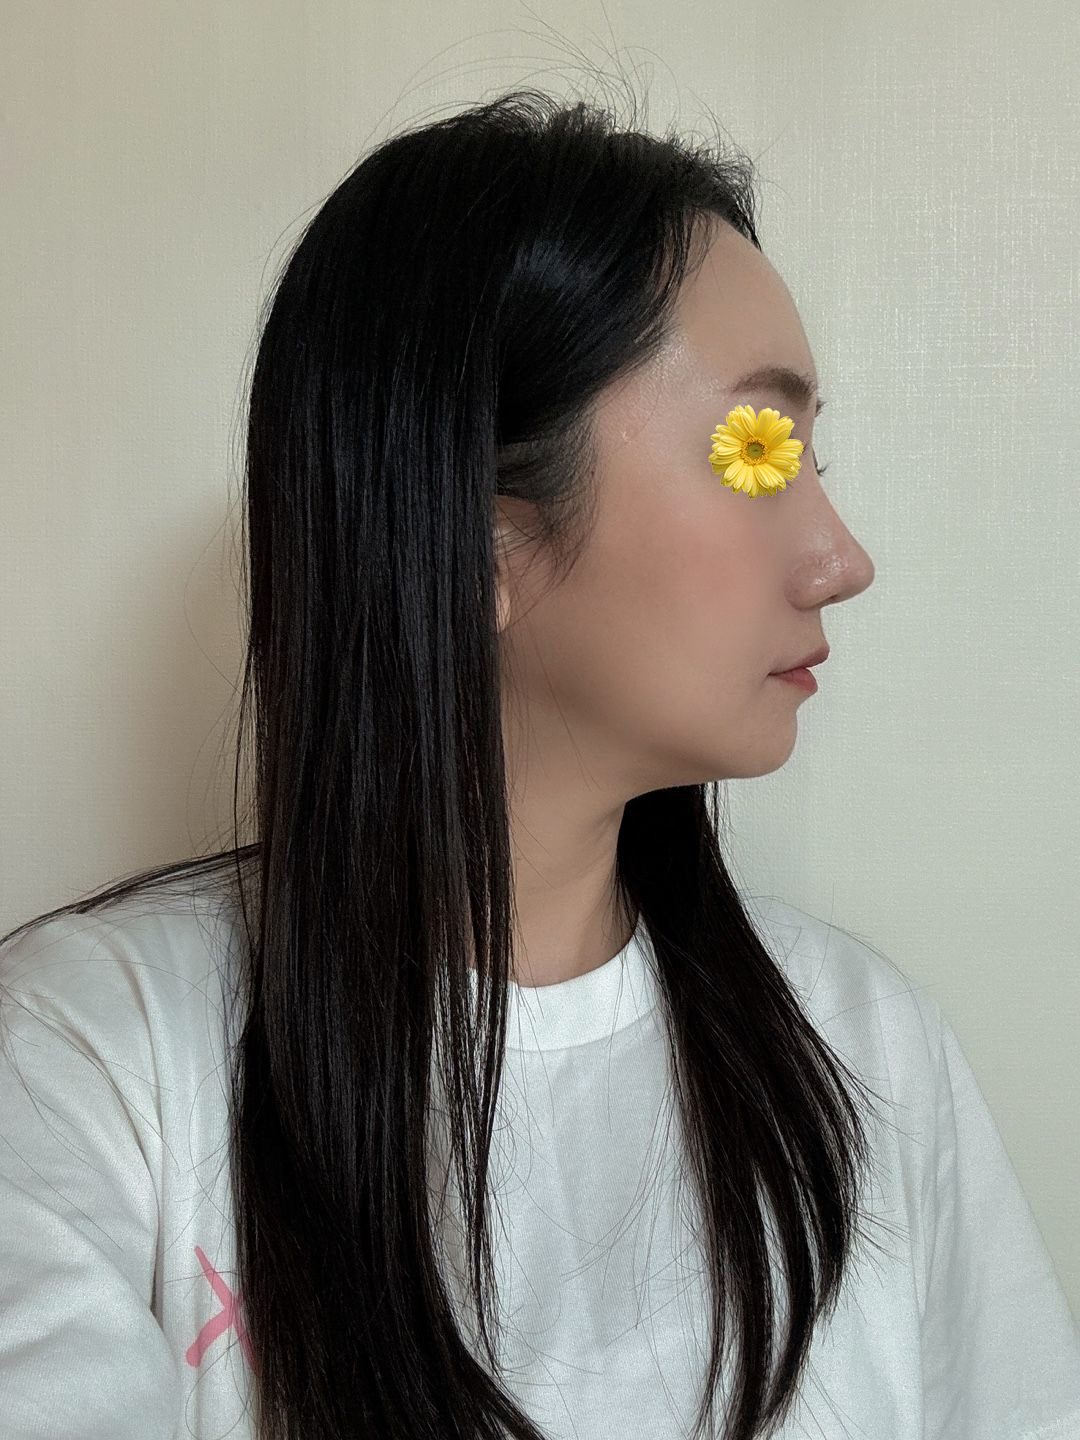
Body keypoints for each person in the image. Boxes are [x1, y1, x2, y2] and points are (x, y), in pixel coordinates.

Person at [3, 84, 1079, 1440]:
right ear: (475, 538)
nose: (840, 557)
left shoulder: (862, 1055)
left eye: (813, 456)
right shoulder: (95, 1065)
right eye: (759, 450)